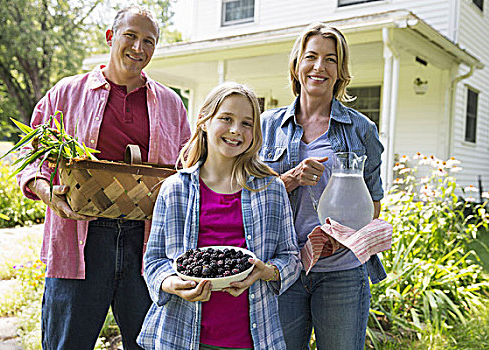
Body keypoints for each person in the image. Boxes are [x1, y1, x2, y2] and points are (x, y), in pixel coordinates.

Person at [16, 5, 191, 350]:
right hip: (79, 240)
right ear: (111, 37)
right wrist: (48, 192)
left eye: (148, 41)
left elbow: (189, 166)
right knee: (68, 343)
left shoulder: (171, 104)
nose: (139, 48)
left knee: (148, 345)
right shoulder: (67, 93)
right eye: (131, 36)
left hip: (148, 246)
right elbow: (30, 153)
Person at [137, 82, 301, 350]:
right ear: (204, 121)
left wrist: (266, 272)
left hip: (253, 338)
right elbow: (154, 262)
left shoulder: (271, 189)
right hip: (181, 336)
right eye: (226, 118)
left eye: (247, 123)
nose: (236, 130)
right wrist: (171, 284)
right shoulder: (174, 189)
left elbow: (291, 257)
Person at [260, 22, 387, 350]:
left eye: (330, 59)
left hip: (342, 270)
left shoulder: (361, 129)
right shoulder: (266, 127)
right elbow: (246, 194)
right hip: (284, 267)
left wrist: (351, 239)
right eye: (311, 57)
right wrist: (289, 179)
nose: (319, 67)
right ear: (297, 64)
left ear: (340, 70)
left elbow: (373, 203)